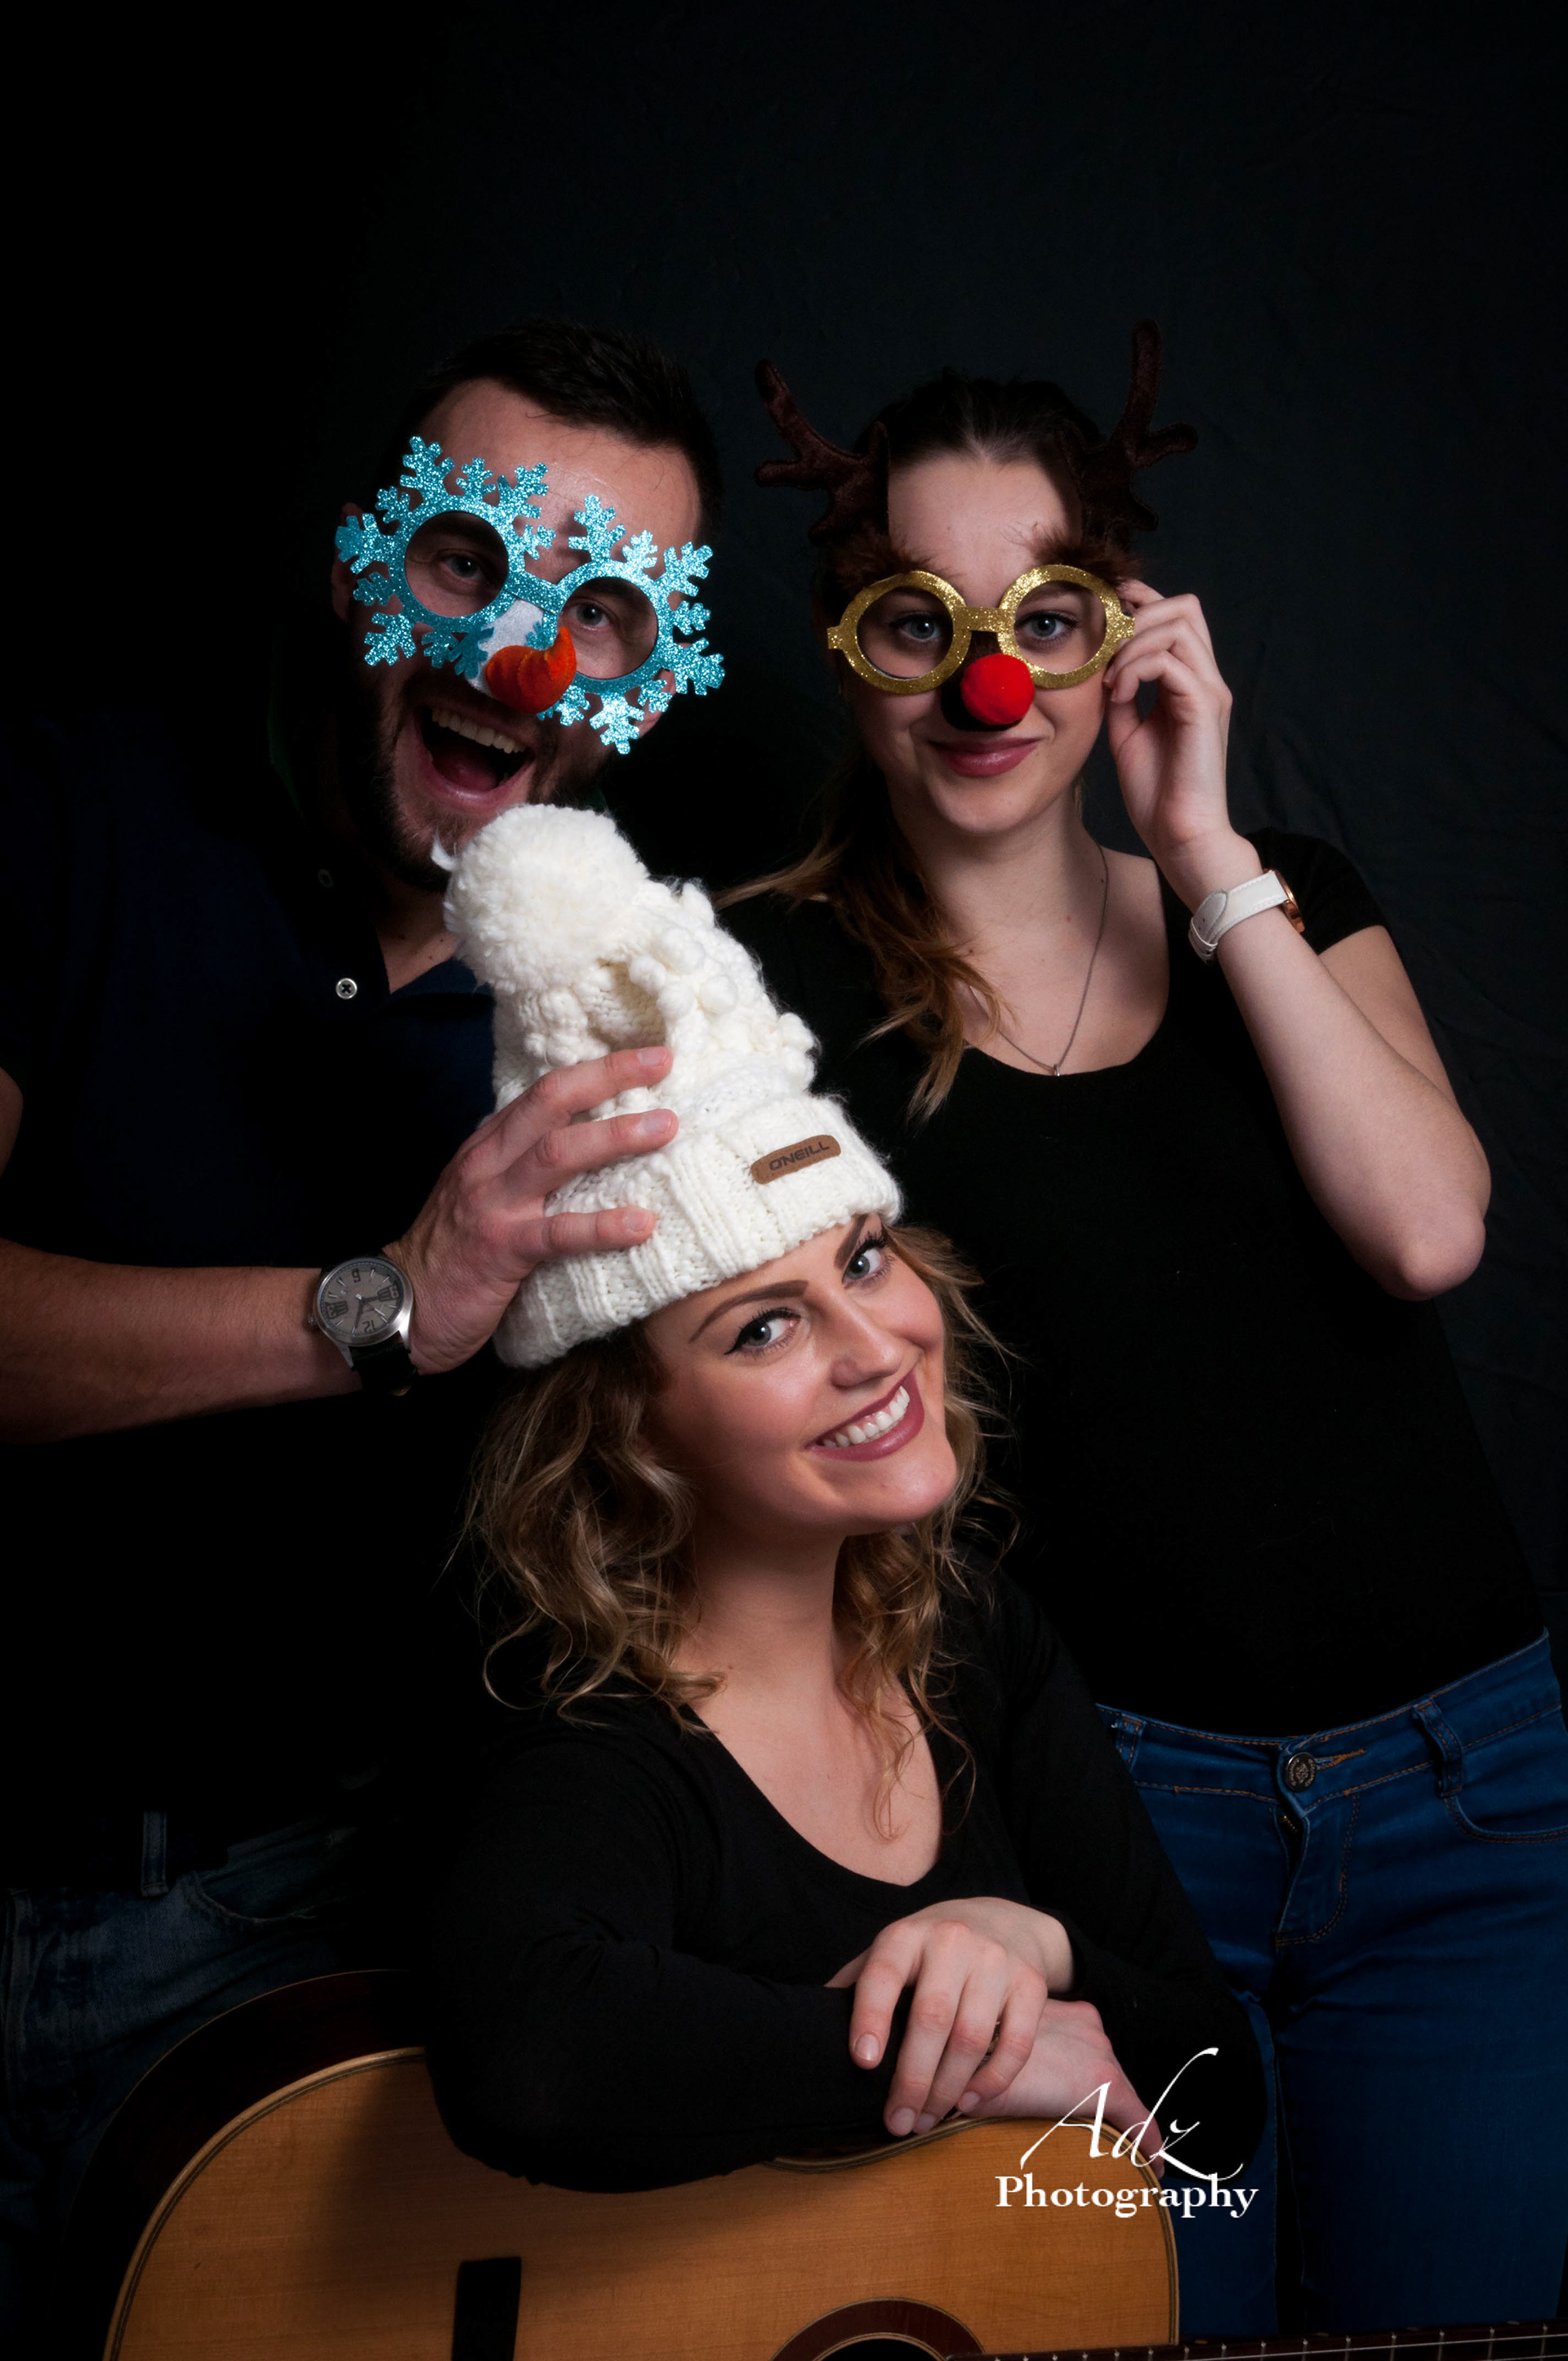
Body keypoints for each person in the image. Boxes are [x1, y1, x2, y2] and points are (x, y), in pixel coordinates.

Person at [719, 327, 1568, 2330]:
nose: (990, 682)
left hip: (1464, 1799)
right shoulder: (766, 996)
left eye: (1046, 615)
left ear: (1127, 637)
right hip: (1100, 1836)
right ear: (856, 653)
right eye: (922, 621)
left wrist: (1205, 854)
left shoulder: (1283, 897)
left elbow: (1429, 1229)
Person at [0, 316, 720, 2345]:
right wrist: (390, 1306)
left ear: (651, 680)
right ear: (358, 563)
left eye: (599, 615)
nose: (518, 662)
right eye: (468, 563)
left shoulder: (633, 1009)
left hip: (303, 1938)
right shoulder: (68, 812)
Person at [425, 799, 1264, 2194]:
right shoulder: (592, 1741)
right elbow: (527, 2059)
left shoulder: (972, 1642)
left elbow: (1217, 2103)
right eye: (764, 1327)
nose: (877, 1348)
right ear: (630, 1431)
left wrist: (1029, 1946)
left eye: (865, 1260)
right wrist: (949, 2057)